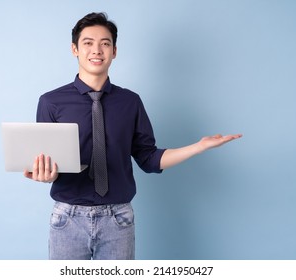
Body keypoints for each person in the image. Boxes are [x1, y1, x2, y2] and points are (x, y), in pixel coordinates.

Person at [24, 12, 242, 260]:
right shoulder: (51, 102)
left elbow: (149, 158)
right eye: (88, 43)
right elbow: (49, 163)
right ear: (74, 49)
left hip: (118, 221)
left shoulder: (130, 102)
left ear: (114, 51)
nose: (97, 50)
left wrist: (198, 147)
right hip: (67, 219)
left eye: (105, 43)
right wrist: (45, 174)